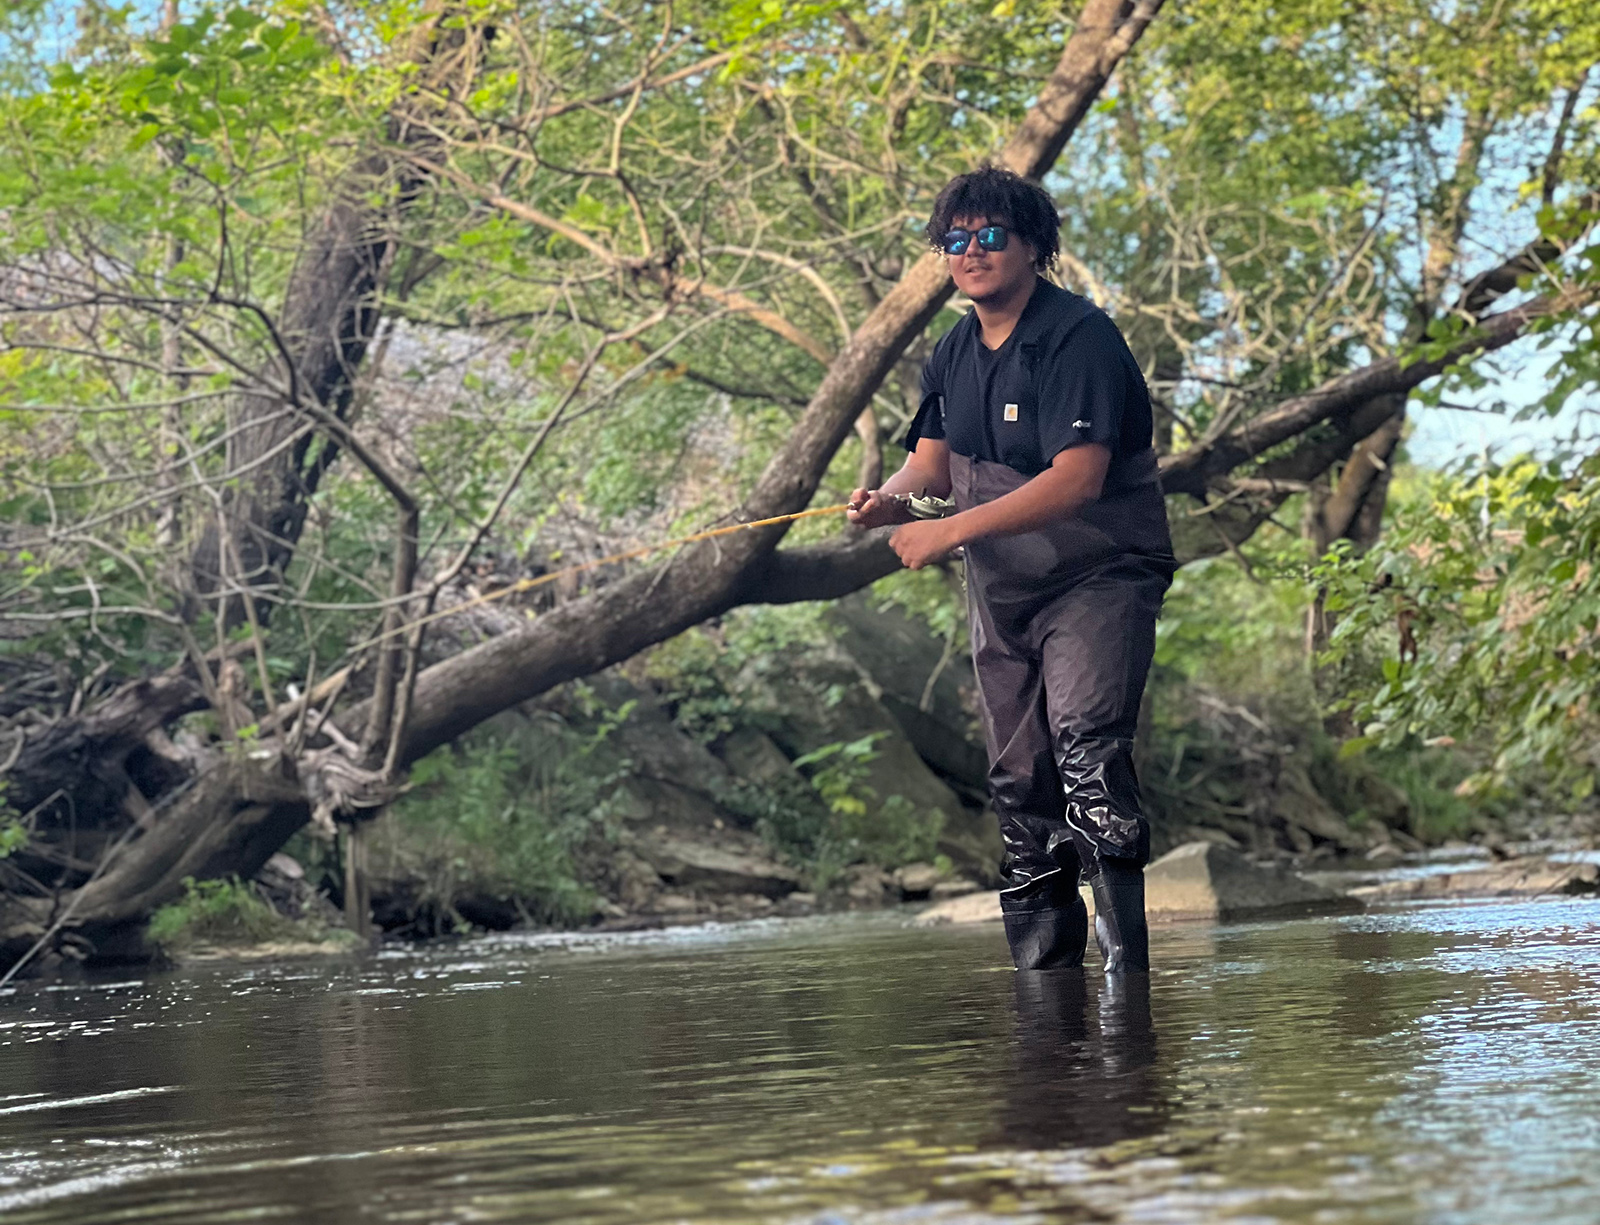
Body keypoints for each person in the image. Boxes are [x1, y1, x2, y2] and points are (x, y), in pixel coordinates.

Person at [848, 166, 1176, 974]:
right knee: (1019, 778)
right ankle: (1046, 990)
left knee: (1087, 749)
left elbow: (1078, 478)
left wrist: (950, 530)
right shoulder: (952, 351)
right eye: (954, 241)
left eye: (990, 236)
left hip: (1100, 574)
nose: (971, 252)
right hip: (1003, 588)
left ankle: (1124, 978)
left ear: (1032, 245)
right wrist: (889, 503)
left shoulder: (1078, 336)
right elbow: (929, 464)